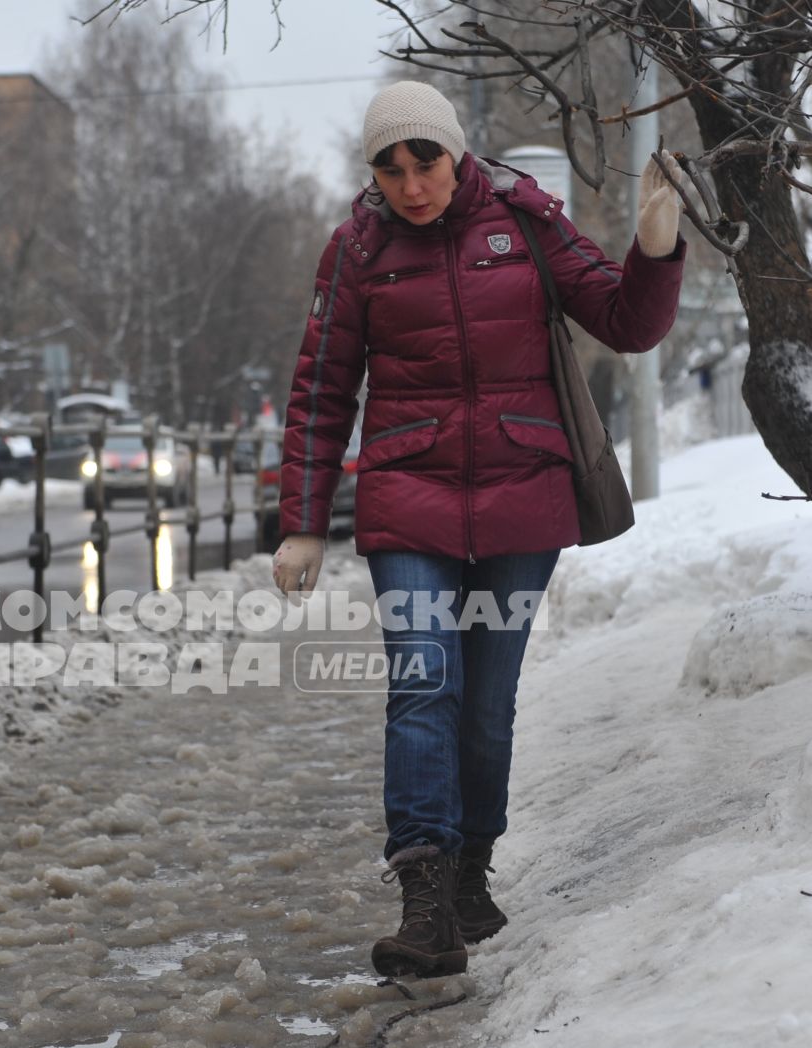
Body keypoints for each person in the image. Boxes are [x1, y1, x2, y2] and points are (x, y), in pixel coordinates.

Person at [271, 81, 685, 978]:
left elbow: (626, 321)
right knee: (425, 686)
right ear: (372, 173)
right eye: (390, 168)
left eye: (424, 163)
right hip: (406, 501)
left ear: (454, 154)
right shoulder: (355, 251)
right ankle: (424, 898)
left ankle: (469, 870)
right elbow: (320, 391)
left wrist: (657, 250)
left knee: (485, 706)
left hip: (519, 498)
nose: (410, 184)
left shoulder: (525, 223)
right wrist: (301, 523)